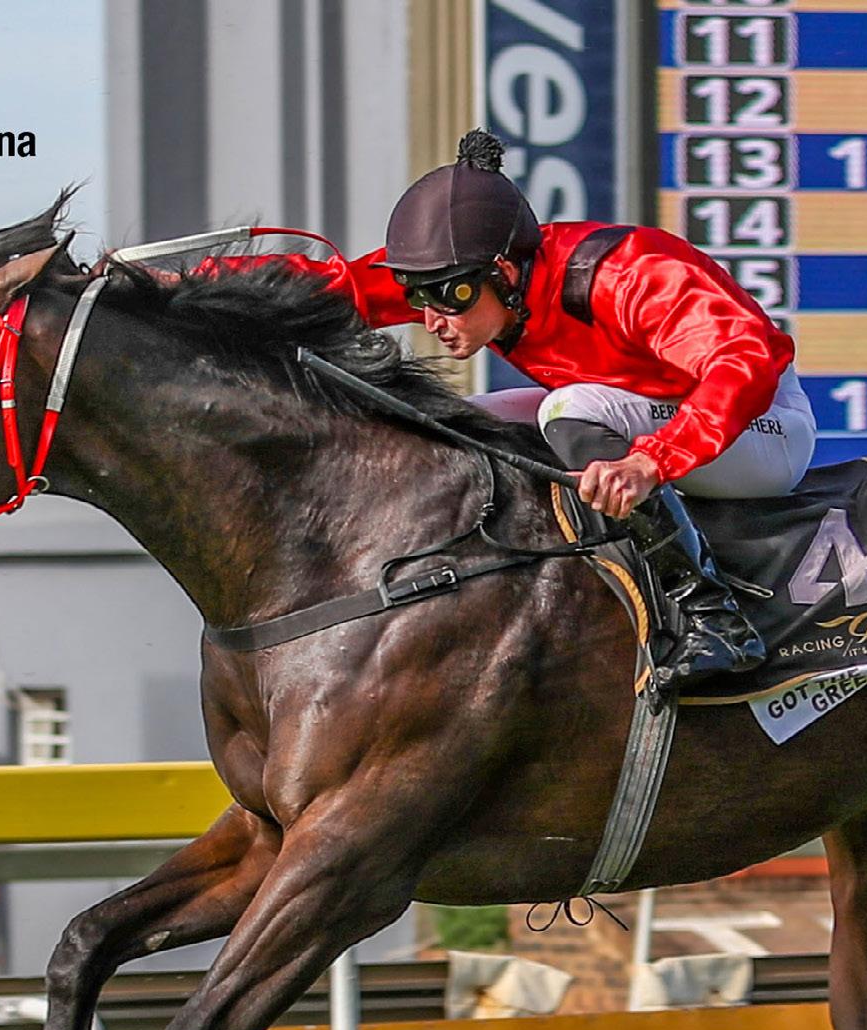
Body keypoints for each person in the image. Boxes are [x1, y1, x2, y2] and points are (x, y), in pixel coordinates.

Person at [348, 130, 816, 689]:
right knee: (458, 423)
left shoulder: (627, 275)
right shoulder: (472, 277)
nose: (432, 320)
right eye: (418, 296)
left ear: (505, 273)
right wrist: (243, 288)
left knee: (568, 406)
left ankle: (712, 616)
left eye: (450, 297)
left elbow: (744, 363)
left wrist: (651, 462)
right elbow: (338, 288)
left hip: (763, 425)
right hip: (650, 409)